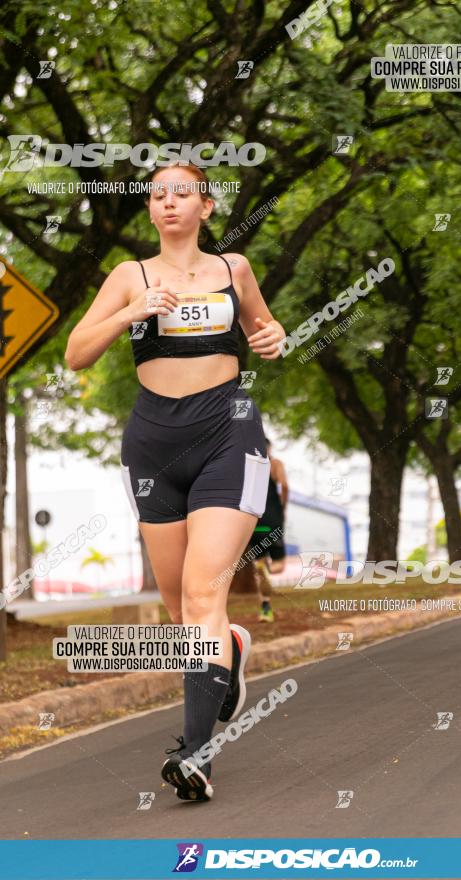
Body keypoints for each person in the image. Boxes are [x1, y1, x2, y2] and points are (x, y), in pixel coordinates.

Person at [65, 161, 285, 802]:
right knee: (181, 613)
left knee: (201, 598)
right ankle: (230, 655)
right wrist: (132, 310)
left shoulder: (232, 269)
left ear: (206, 208)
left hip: (228, 433)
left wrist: (273, 339)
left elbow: (265, 332)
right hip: (151, 443)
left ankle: (196, 758)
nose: (166, 202)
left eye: (180, 193)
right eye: (156, 194)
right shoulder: (129, 276)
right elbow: (77, 351)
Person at [248, 437, 288, 621]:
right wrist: (283, 505)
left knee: (260, 566)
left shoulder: (248, 469)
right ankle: (267, 570)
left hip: (254, 523)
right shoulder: (275, 464)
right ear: (269, 448)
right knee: (279, 565)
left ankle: (265, 607)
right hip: (273, 521)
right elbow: (285, 486)